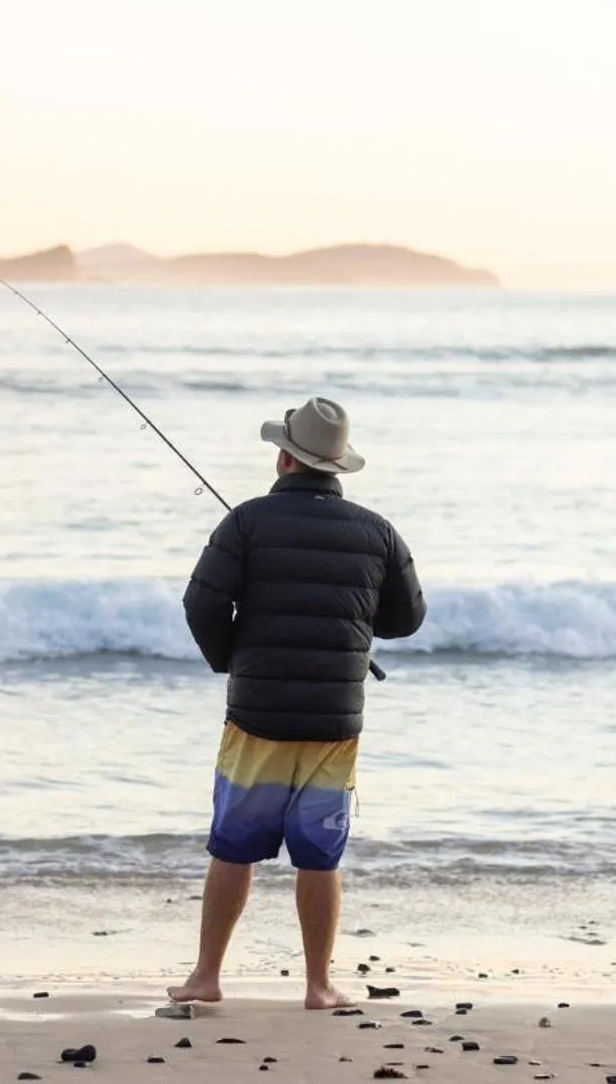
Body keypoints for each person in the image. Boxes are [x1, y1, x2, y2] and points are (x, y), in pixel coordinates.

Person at [165, 396, 426, 1011]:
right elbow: (407, 617)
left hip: (257, 714)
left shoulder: (246, 522)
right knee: (319, 855)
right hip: (334, 721)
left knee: (233, 846)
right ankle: (318, 985)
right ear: (335, 467)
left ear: (284, 457)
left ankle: (206, 977)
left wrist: (231, 658)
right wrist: (353, 627)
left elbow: (200, 605)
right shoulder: (377, 531)